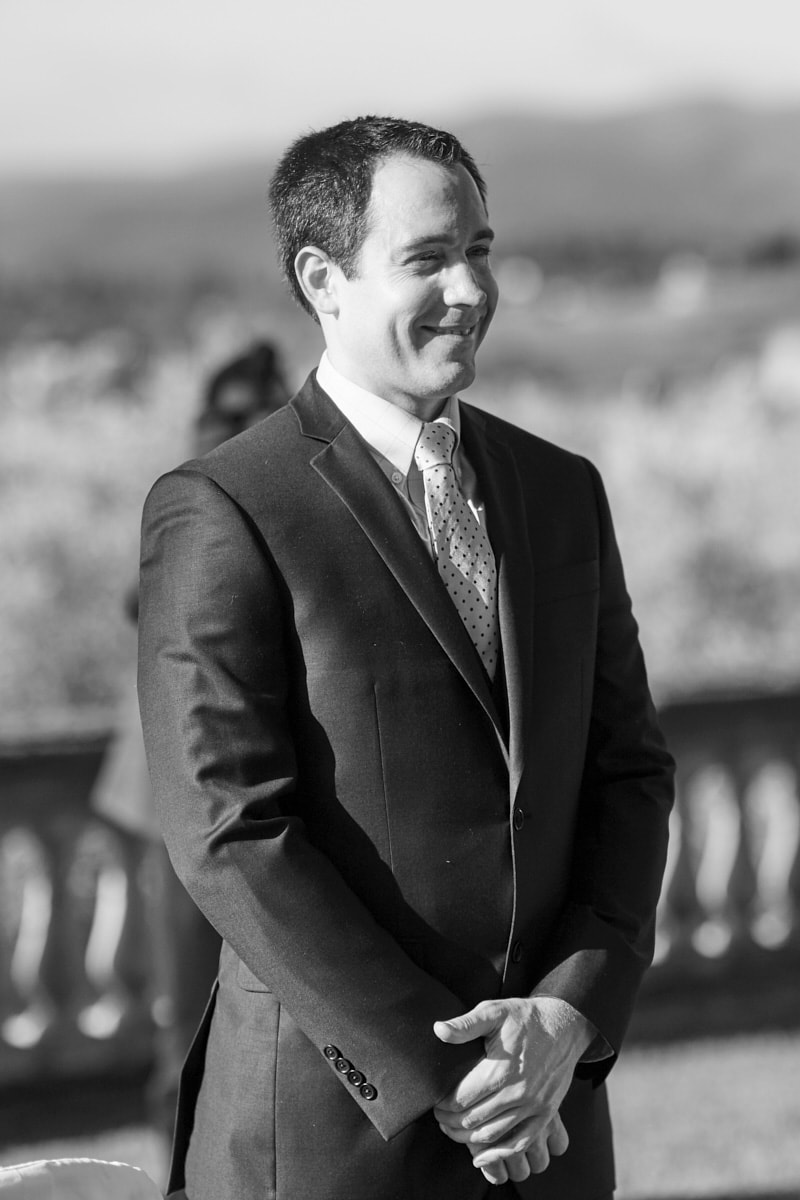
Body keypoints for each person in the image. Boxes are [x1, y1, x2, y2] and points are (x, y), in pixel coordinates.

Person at [137, 116, 674, 1200]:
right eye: (427, 259)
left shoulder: (560, 490)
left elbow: (628, 771)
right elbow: (229, 829)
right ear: (322, 280)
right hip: (328, 1142)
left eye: (478, 250)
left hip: (551, 1125)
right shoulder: (225, 507)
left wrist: (569, 1011)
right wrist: (447, 1071)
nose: (470, 290)